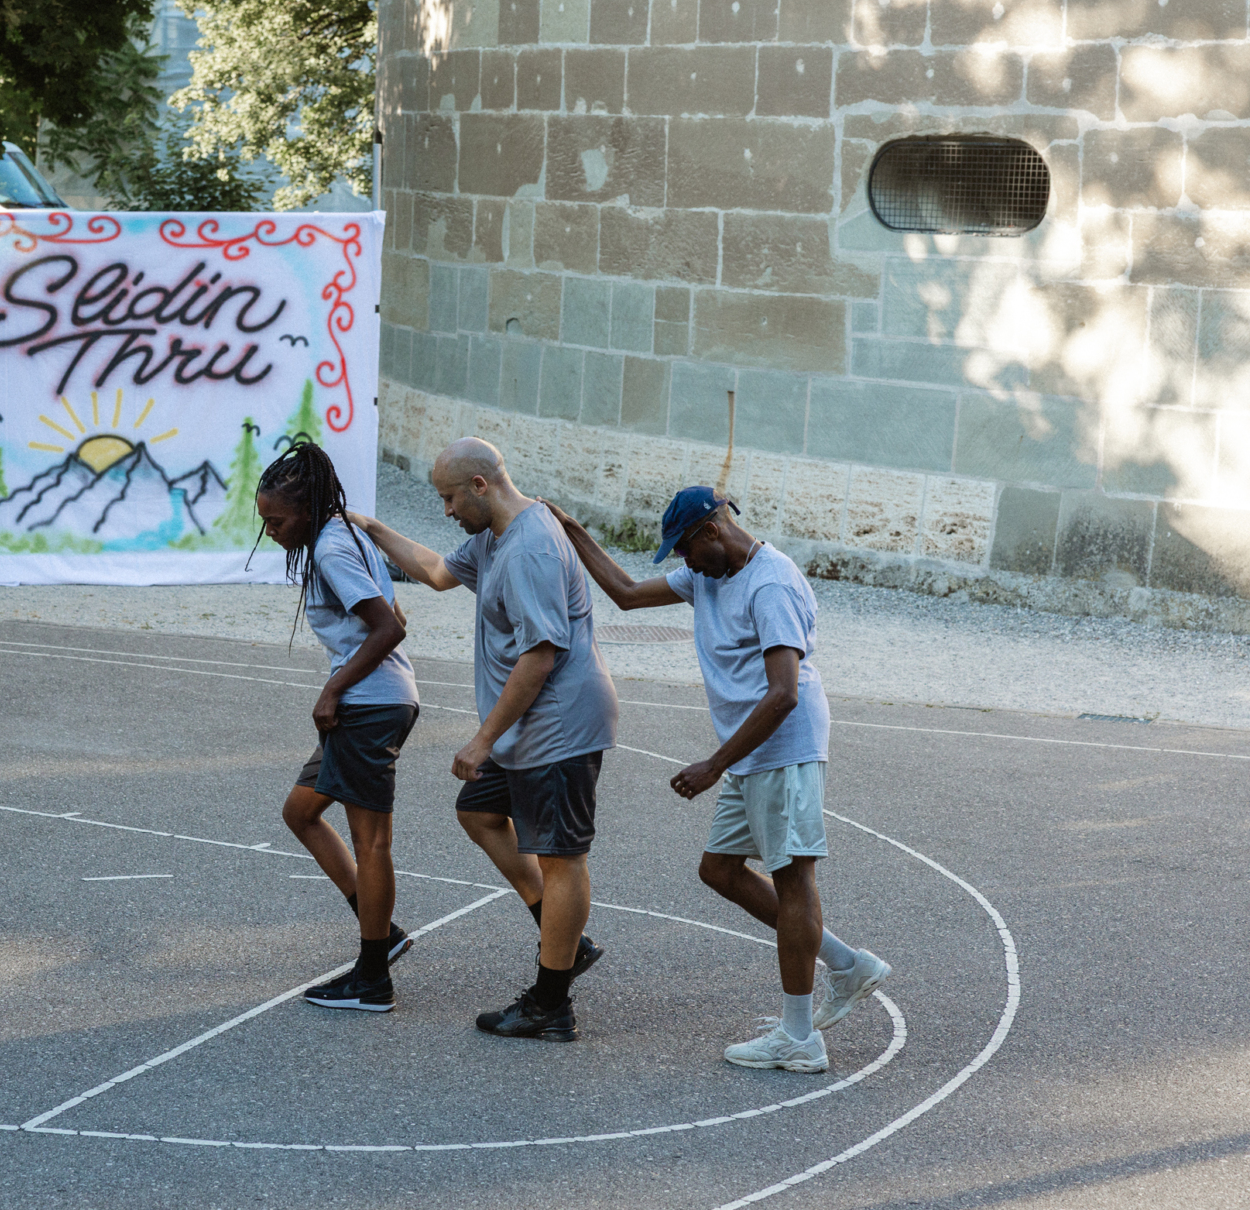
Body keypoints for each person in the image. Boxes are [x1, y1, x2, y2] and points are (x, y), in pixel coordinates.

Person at [544, 486, 890, 1073]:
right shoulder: (710, 574)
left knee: (793, 879)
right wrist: (571, 529)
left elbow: (782, 693)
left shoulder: (771, 583)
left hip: (783, 743)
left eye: (683, 549)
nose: (683, 563)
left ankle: (799, 1037)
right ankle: (846, 963)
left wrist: (714, 764)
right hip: (750, 746)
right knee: (720, 869)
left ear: (712, 531)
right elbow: (626, 595)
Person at [350, 438, 617, 1042]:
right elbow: (439, 572)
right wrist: (372, 527)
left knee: (561, 856)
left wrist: (481, 739)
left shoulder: (530, 547)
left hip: (558, 722)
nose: (444, 512)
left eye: (447, 498)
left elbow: (542, 653)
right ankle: (562, 937)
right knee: (480, 811)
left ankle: (552, 1004)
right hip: (527, 724)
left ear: (479, 486)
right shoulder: (493, 537)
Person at [255, 441, 421, 1013]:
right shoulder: (343, 536)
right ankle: (384, 932)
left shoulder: (332, 549)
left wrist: (333, 689)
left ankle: (373, 976)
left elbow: (387, 629)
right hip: (370, 701)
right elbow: (397, 613)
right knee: (300, 812)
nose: (271, 531)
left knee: (372, 842)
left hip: (370, 707)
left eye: (276, 521)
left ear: (306, 510)